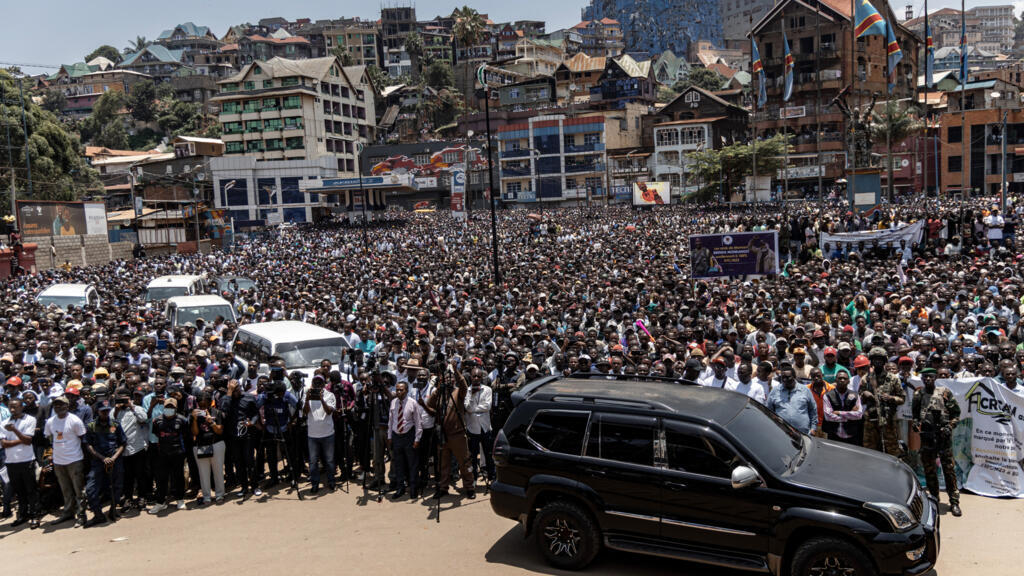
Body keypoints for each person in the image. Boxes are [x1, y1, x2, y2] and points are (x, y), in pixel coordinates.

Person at [912, 367, 962, 517]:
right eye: (925, 377)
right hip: (927, 437)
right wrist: (916, 424)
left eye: (931, 377)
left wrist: (950, 426)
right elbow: (915, 415)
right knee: (930, 470)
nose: (928, 379)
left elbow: (956, 414)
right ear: (922, 379)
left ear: (935, 378)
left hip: (943, 437)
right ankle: (934, 500)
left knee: (949, 470)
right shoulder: (918, 394)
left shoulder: (944, 392)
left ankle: (954, 502)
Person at [426, 363, 475, 499]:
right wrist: (437, 390)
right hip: (442, 435)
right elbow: (430, 406)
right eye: (444, 378)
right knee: (443, 463)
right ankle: (443, 487)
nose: (447, 380)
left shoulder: (458, 391)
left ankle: (469, 487)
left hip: (457, 434)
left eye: (450, 378)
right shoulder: (439, 394)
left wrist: (456, 370)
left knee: (464, 462)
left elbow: (464, 385)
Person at [44, 395, 88, 526]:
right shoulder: (51, 421)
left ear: (67, 406)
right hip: (58, 461)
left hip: (74, 460)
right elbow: (49, 438)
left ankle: (81, 515)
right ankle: (68, 513)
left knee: (79, 490)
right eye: (56, 405)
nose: (58, 407)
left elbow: (83, 439)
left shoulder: (74, 420)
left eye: (61, 404)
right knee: (66, 490)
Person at [83, 398, 126, 527]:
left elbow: (123, 443)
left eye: (107, 411)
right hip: (98, 461)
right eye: (103, 411)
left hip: (115, 460)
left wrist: (114, 457)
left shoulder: (115, 424)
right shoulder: (91, 426)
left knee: (117, 486)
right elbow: (88, 445)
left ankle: (113, 510)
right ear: (98, 411)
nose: (105, 413)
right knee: (91, 489)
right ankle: (98, 515)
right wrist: (102, 458)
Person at [860, 348, 905, 458]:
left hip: (888, 421)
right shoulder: (866, 378)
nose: (878, 362)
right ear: (871, 361)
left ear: (885, 361)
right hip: (871, 420)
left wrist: (891, 398)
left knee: (892, 452)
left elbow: (902, 398)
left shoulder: (893, 379)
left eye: (880, 359)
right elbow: (860, 397)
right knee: (870, 452)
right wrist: (864, 394)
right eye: (875, 359)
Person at [1, 399, 40, 528]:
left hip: (26, 459)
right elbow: (4, 444)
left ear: (21, 407)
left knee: (31, 489)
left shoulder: (29, 420)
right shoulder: (4, 423)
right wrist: (20, 439)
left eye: (15, 407)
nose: (12, 410)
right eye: (10, 407)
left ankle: (35, 515)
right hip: (11, 461)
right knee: (19, 491)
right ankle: (23, 515)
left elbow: (28, 441)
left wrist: (14, 430)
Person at [150, 397, 188, 514]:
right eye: (167, 407)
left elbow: (186, 436)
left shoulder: (182, 420)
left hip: (178, 453)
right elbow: (156, 433)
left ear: (176, 408)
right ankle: (160, 503)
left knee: (178, 477)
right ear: (164, 408)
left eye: (172, 407)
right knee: (162, 479)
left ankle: (180, 500)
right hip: (163, 454)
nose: (169, 409)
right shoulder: (157, 421)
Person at [112, 391, 149, 511]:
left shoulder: (137, 408)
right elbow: (111, 425)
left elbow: (143, 419)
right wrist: (117, 410)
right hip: (122, 449)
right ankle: (128, 498)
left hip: (137, 446)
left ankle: (142, 497)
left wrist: (131, 406)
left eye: (125, 399)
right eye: (121, 399)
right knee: (127, 476)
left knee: (140, 474)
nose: (123, 402)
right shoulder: (114, 411)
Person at [387, 381, 422, 499]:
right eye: (397, 390)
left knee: (412, 464)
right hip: (397, 436)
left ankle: (413, 488)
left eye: (401, 390)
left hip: (409, 436)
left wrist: (417, 439)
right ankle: (400, 488)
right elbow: (391, 421)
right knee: (399, 464)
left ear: (406, 390)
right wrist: (389, 437)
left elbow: (418, 423)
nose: (398, 392)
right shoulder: (393, 403)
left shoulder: (413, 403)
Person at [190, 391, 225, 504]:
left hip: (216, 444)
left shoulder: (217, 412)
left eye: (205, 405)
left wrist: (211, 422)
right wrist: (195, 419)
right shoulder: (194, 414)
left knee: (218, 471)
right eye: (201, 405)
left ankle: (220, 495)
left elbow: (219, 431)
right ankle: (206, 496)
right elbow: (194, 433)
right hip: (200, 446)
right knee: (203, 473)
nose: (203, 407)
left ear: (211, 402)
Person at [304, 375, 337, 493]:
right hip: (312, 435)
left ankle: (331, 481)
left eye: (320, 382)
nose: (317, 384)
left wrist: (321, 399)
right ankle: (315, 483)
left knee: (329, 460)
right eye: (315, 382)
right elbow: (304, 412)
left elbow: (329, 411)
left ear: (324, 384)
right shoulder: (307, 394)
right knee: (313, 461)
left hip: (327, 433)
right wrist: (307, 399)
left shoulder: (330, 395)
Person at [765, 363, 818, 435]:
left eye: (787, 377)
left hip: (803, 433)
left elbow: (813, 410)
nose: (784, 380)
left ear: (794, 377)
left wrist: (813, 428)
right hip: (781, 433)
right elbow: (768, 411)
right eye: (782, 377)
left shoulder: (805, 390)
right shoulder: (775, 391)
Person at [464, 367, 494, 482]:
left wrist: (473, 409)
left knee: (488, 454)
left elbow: (487, 406)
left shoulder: (487, 390)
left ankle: (492, 476)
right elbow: (467, 407)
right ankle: (474, 479)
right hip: (473, 429)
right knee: (473, 456)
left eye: (478, 376)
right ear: (470, 377)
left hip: (485, 428)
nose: (476, 378)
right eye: (474, 376)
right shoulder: (467, 390)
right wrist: (472, 396)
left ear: (482, 378)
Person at [822, 371, 864, 445]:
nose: (842, 380)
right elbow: (828, 416)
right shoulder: (828, 396)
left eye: (844, 378)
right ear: (836, 380)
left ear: (848, 381)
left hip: (852, 436)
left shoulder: (855, 395)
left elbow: (859, 414)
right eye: (840, 378)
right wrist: (848, 417)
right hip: (834, 435)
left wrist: (839, 413)